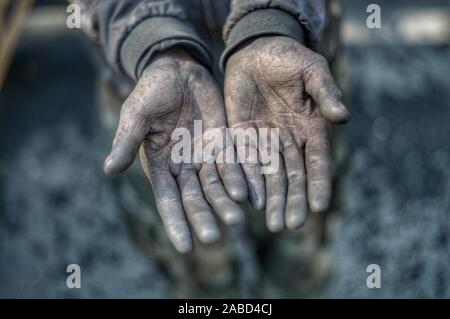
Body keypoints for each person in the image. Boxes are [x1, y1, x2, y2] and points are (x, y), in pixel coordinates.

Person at [74, 0, 350, 297]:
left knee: (298, 251)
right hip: (146, 90)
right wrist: (152, 39)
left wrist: (269, 21)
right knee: (197, 266)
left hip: (293, 85)